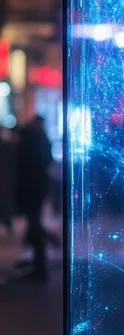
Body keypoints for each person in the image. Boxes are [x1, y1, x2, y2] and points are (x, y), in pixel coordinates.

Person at [16, 114, 53, 281]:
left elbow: (27, 168)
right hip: (37, 188)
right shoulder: (40, 138)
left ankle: (39, 266)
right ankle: (35, 262)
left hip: (32, 189)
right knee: (33, 224)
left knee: (34, 224)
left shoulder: (33, 139)